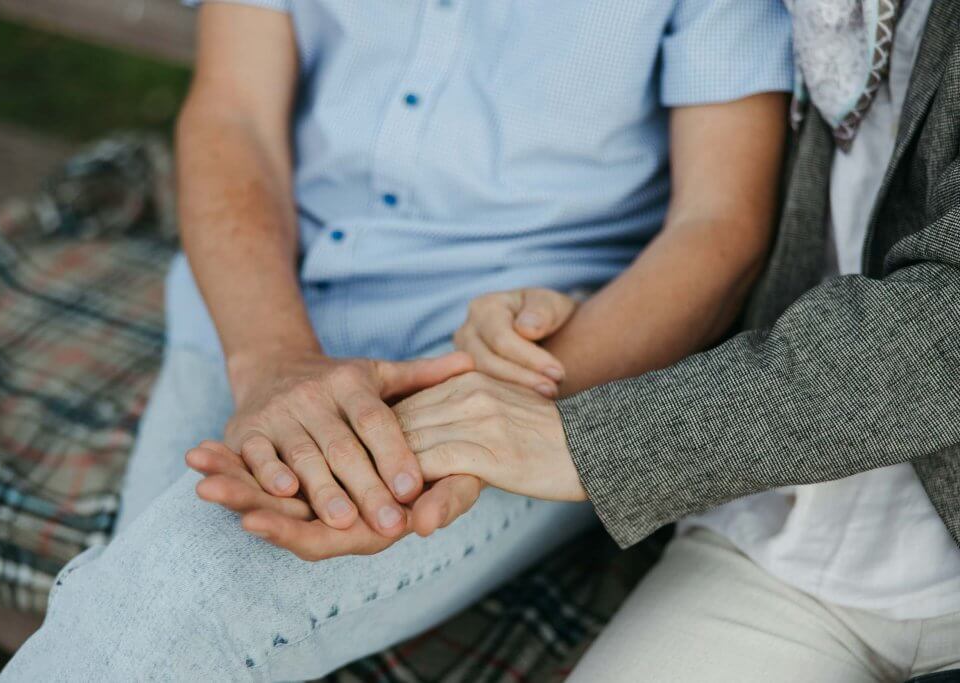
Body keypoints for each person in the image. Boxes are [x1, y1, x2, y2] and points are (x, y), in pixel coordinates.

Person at [0, 0, 793, 679]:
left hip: (518, 355)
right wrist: (273, 357)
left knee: (183, 590)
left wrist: (497, 413)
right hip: (253, 301)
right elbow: (233, 113)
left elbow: (719, 229)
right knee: (138, 613)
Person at [196, 1, 960, 679]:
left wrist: (581, 435)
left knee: (194, 598)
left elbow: (923, 313)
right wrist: (558, 320)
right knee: (190, 582)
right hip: (776, 525)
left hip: (908, 517)